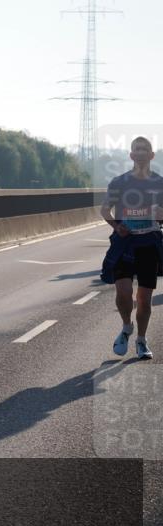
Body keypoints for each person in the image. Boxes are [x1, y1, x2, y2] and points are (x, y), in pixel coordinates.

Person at [100, 135, 163, 360]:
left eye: (145, 149)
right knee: (124, 292)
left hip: (149, 242)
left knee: (145, 298)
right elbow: (105, 210)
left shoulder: (160, 182)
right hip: (124, 244)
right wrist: (117, 227)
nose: (141, 153)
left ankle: (141, 340)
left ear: (151, 155)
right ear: (131, 155)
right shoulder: (119, 182)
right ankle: (127, 326)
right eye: (137, 149)